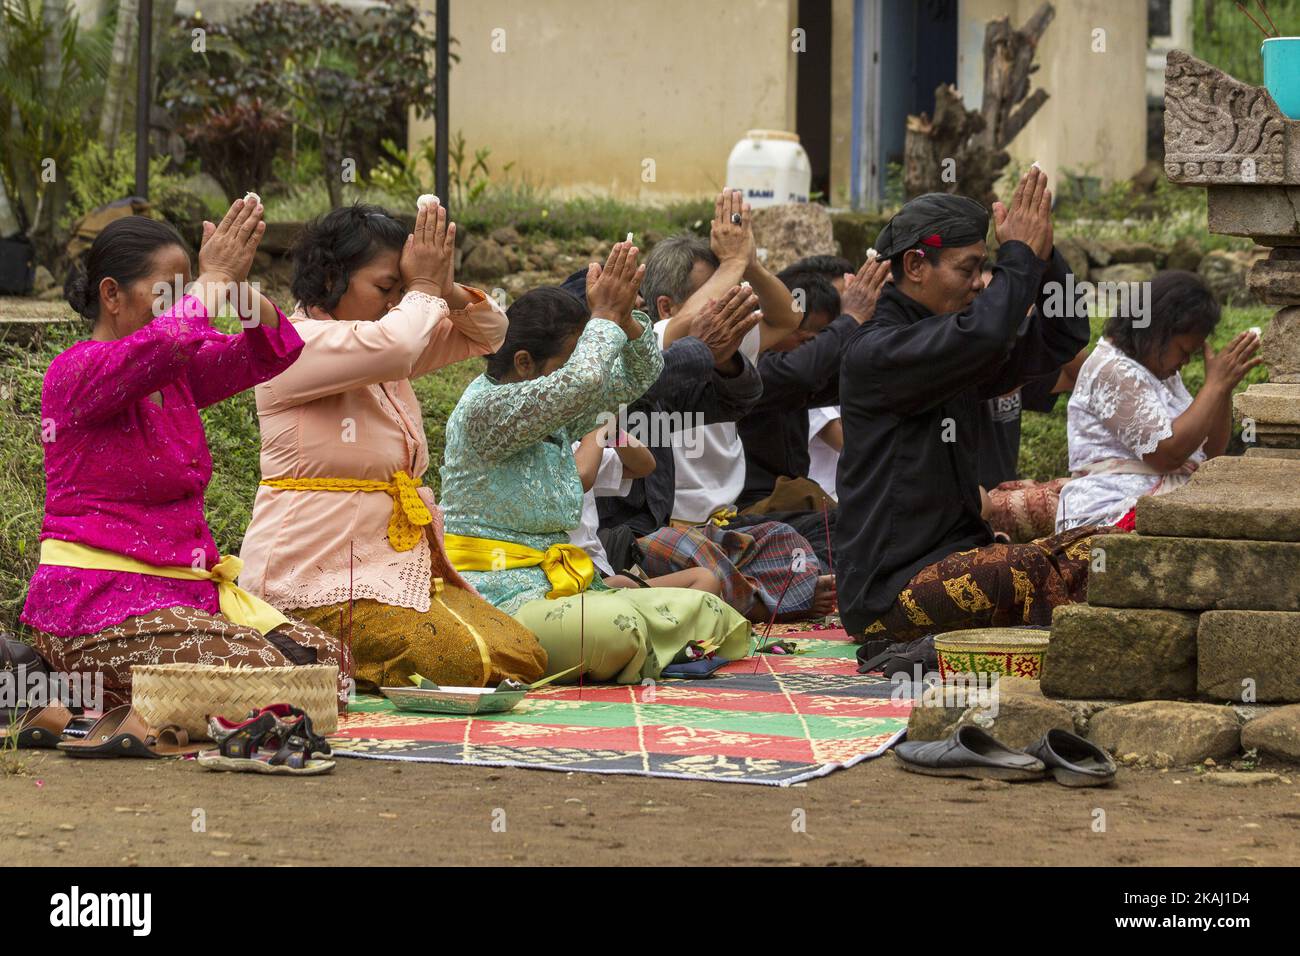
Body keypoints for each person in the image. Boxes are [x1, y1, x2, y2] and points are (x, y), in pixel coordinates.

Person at [20, 203, 342, 707]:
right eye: (171, 293)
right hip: (96, 605)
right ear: (112, 294)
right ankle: (77, 681)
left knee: (327, 663)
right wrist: (210, 280)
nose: (187, 304)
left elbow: (274, 349)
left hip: (181, 600)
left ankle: (110, 696)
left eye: (188, 291)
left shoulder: (176, 375)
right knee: (280, 679)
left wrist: (233, 285)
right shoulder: (73, 374)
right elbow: (169, 339)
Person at [237, 201, 547, 693]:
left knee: (521, 650)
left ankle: (331, 662)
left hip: (383, 572)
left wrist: (439, 286)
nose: (396, 303)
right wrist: (421, 290)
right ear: (332, 278)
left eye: (400, 291)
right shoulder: (292, 345)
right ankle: (299, 645)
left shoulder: (379, 344)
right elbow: (398, 344)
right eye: (386, 288)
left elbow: (491, 334)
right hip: (303, 581)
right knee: (470, 659)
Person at [440, 242, 751, 683]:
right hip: (497, 594)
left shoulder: (555, 414)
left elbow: (633, 381)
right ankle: (642, 646)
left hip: (561, 587)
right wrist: (602, 316)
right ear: (525, 363)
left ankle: (640, 647)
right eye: (567, 360)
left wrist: (624, 320)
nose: (579, 374)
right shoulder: (487, 410)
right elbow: (584, 380)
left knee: (707, 606)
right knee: (614, 630)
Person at [837, 170, 1104, 643]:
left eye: (986, 267)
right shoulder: (877, 351)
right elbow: (985, 333)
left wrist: (1042, 255)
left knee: (1112, 545)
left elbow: (1062, 336)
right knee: (1053, 569)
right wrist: (1017, 257)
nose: (981, 283)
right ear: (916, 265)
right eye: (968, 269)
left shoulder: (953, 347)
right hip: (890, 595)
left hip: (955, 559)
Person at [1057, 270, 1260, 531]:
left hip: (1157, 507)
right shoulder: (1110, 369)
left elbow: (1211, 453)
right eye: (1184, 351)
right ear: (1156, 331)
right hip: (1109, 514)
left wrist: (1222, 391)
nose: (1185, 362)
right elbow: (1167, 454)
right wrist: (1213, 386)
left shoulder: (1161, 372)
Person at [737, 261, 889, 512]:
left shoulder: (801, 369)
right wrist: (852, 318)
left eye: (822, 338)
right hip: (751, 509)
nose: (814, 346)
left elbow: (860, 378)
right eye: (807, 339)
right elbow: (802, 371)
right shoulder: (748, 367)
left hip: (790, 501)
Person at [568, 424, 717, 593]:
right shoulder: (544, 456)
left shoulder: (574, 450)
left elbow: (644, 465)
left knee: (705, 579)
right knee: (621, 582)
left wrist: (613, 433)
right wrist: (597, 428)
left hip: (601, 574)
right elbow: (581, 477)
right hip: (564, 582)